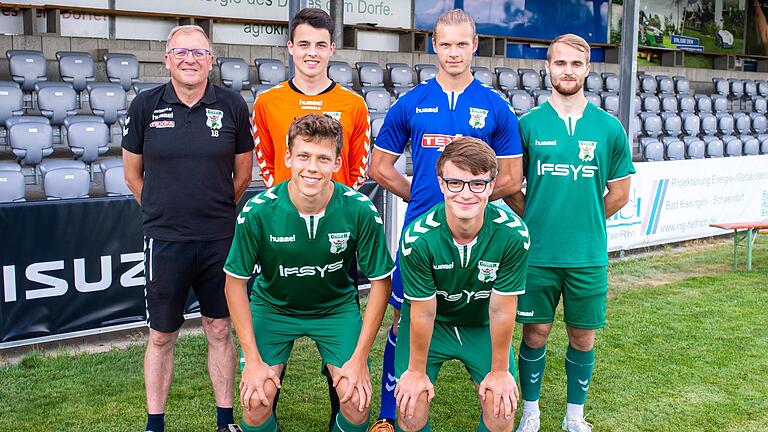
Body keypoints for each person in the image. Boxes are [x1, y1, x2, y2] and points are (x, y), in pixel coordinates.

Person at [368, 9, 523, 431]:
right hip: (421, 235)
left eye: (462, 44)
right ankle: (387, 412)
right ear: (433, 45)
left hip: (479, 232)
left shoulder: (496, 106)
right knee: (404, 315)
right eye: (445, 43)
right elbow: (379, 167)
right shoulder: (411, 102)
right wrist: (425, 198)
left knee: (484, 305)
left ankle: (493, 378)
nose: (453, 52)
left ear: (475, 46)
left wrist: (472, 201)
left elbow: (510, 176)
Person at [223, 114, 395, 432]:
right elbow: (234, 283)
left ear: (337, 162)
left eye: (323, 158)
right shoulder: (259, 211)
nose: (312, 168)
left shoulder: (359, 209)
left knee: (356, 402)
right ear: (288, 157)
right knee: (255, 401)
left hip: (335, 310)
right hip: (273, 309)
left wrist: (360, 359)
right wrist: (252, 359)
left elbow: (381, 284)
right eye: (303, 156)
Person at [122, 25, 254, 432]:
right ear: (167, 59)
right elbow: (132, 175)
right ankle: (155, 424)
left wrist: (211, 211)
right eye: (180, 52)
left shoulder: (232, 105)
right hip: (165, 241)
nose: (190, 59)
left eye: (199, 53)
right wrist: (165, 211)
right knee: (162, 335)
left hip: (219, 239)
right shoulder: (145, 105)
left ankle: (225, 420)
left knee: (219, 327)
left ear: (211, 60)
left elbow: (243, 175)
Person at [508, 34, 634, 432]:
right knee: (536, 333)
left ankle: (574, 417)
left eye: (575, 64)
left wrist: (585, 219)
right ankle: (531, 413)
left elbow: (619, 193)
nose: (567, 70)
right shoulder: (527, 125)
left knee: (582, 338)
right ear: (547, 68)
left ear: (587, 69)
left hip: (587, 255)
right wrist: (539, 218)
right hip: (539, 254)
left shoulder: (609, 128)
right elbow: (511, 186)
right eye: (560, 63)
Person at [393, 137, 530, 432]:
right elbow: (423, 311)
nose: (466, 193)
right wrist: (416, 372)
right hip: (433, 324)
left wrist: (500, 370)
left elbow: (502, 309)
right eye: (456, 183)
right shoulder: (418, 239)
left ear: (491, 186)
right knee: (410, 408)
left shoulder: (513, 235)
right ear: (441, 184)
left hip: (481, 325)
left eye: (477, 183)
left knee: (501, 408)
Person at [252, 7, 370, 190]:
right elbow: (267, 166)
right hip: (286, 213)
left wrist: (336, 205)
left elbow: (357, 170)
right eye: (304, 44)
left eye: (321, 45)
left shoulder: (355, 104)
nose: (312, 52)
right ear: (291, 47)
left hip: (336, 214)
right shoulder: (266, 102)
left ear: (331, 49)